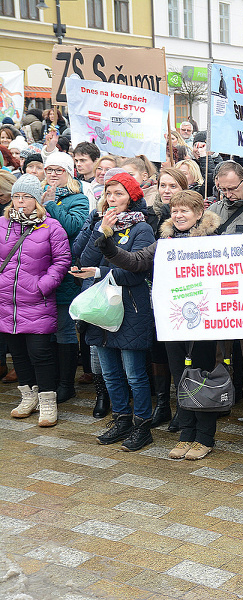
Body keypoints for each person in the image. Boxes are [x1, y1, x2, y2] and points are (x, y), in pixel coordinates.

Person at [98, 190, 222, 459]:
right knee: (180, 377)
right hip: (173, 319)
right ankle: (186, 432)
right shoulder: (164, 242)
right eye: (175, 210)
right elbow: (136, 261)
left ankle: (205, 437)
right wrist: (108, 245)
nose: (178, 215)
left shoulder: (214, 242)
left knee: (202, 377)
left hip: (205, 322)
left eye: (185, 210)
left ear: (199, 214)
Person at [73, 172, 156, 451]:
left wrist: (99, 272)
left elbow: (134, 272)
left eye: (118, 194)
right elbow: (83, 261)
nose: (112, 199)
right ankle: (121, 419)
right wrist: (100, 232)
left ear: (131, 198)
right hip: (101, 308)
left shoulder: (141, 229)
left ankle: (142, 424)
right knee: (110, 373)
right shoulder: (101, 223)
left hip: (131, 308)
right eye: (108, 194)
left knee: (134, 373)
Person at [4, 175, 71, 427]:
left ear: (37, 200)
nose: (21, 202)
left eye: (27, 197)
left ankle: (47, 401)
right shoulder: (3, 224)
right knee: (18, 353)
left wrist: (43, 286)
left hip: (36, 300)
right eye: (17, 196)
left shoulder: (51, 226)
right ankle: (28, 397)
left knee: (40, 353)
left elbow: (62, 261)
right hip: (6, 301)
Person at [207, 161, 243, 430]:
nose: (227, 194)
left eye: (232, 189)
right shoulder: (214, 210)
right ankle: (221, 398)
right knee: (220, 351)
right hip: (220, 291)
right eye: (222, 189)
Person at [39, 152, 89, 405]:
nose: (54, 174)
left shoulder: (78, 198)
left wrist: (49, 205)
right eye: (50, 170)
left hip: (65, 273)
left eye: (59, 170)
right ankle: (51, 380)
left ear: (70, 172)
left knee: (64, 329)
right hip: (39, 273)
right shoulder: (39, 195)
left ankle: (66, 384)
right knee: (46, 330)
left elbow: (73, 227)